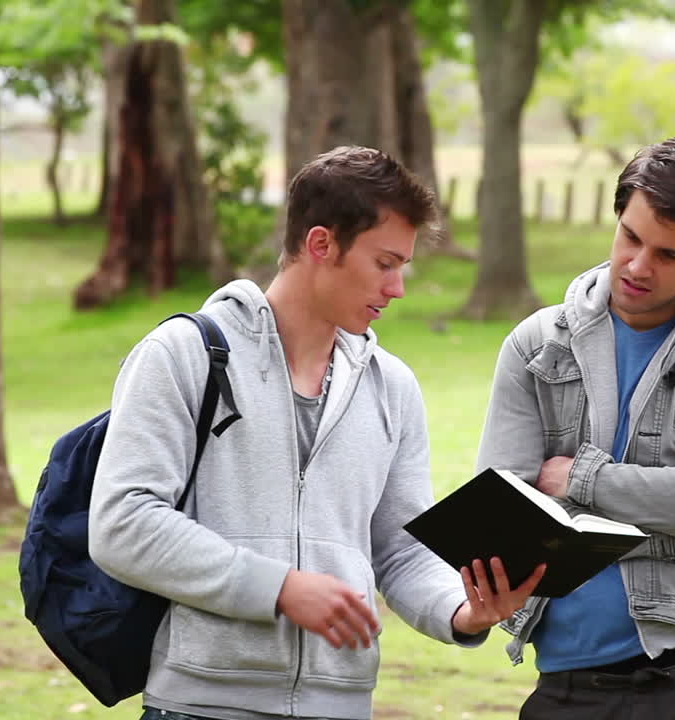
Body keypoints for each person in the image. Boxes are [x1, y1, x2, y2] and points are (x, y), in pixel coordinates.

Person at [89, 146, 544, 720]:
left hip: (341, 706)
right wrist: (278, 587)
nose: (398, 287)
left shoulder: (392, 387)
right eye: (385, 263)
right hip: (200, 704)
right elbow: (121, 522)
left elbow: (400, 549)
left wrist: (462, 610)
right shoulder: (183, 355)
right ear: (321, 244)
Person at [475, 136, 675, 720]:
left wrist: (581, 481)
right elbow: (501, 525)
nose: (638, 266)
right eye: (630, 237)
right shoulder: (535, 346)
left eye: (669, 255)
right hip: (565, 681)